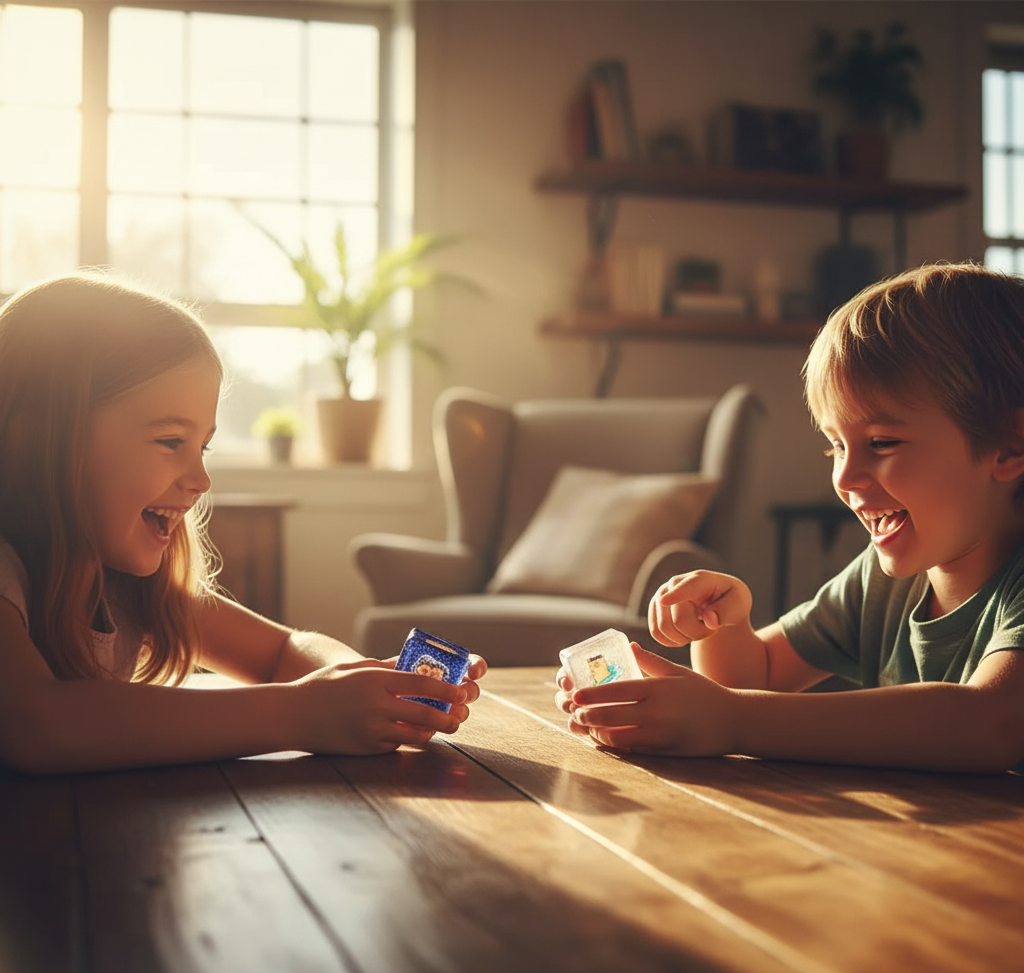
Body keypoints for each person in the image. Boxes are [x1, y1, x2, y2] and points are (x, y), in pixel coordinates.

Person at [0, 273, 483, 775]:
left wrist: (360, 684)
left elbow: (281, 650)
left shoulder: (126, 584)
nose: (200, 479)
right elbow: (34, 724)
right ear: (34, 439)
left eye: (202, 447)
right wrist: (301, 713)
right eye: (170, 441)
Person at [556, 262, 1024, 773]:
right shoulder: (880, 583)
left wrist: (731, 719)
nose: (845, 479)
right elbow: (755, 680)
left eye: (883, 443)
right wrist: (724, 626)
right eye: (835, 446)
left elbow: (993, 723)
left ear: (1010, 445)